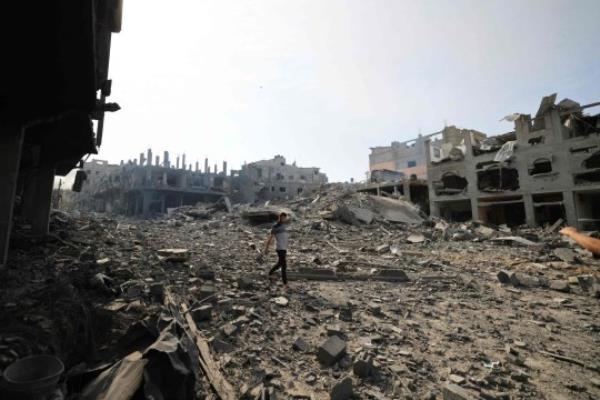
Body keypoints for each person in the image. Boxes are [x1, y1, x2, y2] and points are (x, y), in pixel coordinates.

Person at [264, 212, 289, 289]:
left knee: (279, 264)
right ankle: (285, 283)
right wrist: (266, 248)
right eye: (283, 217)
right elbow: (270, 238)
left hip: (284, 248)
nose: (284, 219)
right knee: (284, 265)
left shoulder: (284, 226)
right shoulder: (275, 227)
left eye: (285, 218)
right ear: (280, 217)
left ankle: (270, 273)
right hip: (279, 248)